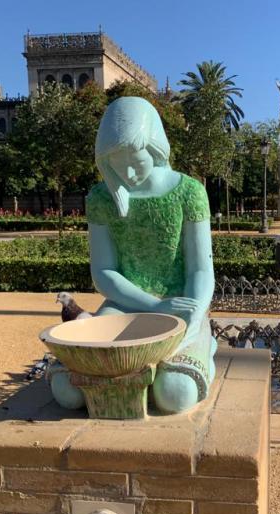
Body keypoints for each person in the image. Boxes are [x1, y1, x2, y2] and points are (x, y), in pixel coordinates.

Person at [86, 97, 217, 414]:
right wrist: (154, 306)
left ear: (156, 149)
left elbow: (200, 270)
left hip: (180, 304)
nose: (128, 173)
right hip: (125, 304)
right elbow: (103, 272)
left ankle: (203, 345)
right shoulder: (101, 198)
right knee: (70, 391)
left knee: (174, 394)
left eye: (137, 162)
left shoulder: (189, 192)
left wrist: (193, 311)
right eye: (118, 165)